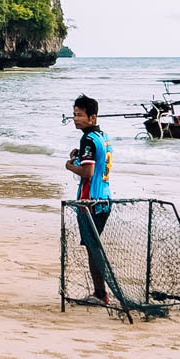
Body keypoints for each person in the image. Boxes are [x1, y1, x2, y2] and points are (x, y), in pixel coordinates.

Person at [65, 94, 113, 306]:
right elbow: (98, 161)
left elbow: (88, 172)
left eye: (80, 115)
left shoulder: (87, 139)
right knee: (94, 246)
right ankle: (100, 292)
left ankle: (100, 293)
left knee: (93, 248)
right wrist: (78, 156)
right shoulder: (103, 137)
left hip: (89, 203)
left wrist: (69, 166)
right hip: (104, 199)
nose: (76, 118)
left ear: (92, 117)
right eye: (74, 114)